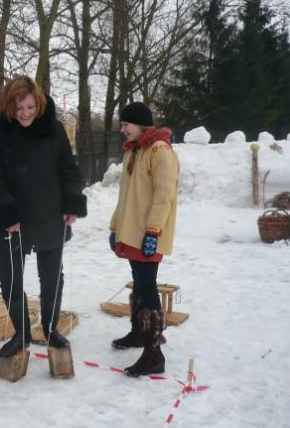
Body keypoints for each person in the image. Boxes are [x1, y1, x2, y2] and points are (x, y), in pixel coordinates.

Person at [0, 76, 87, 358]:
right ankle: (22, 333)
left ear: (38, 103)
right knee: (10, 278)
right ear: (9, 106)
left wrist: (71, 202)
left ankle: (51, 329)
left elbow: (68, 167)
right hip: (11, 218)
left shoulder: (53, 128)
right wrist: (7, 212)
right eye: (19, 108)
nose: (25, 113)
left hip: (49, 213)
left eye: (30, 107)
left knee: (51, 276)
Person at [109, 102, 179, 376]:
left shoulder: (160, 151)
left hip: (148, 232)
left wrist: (153, 230)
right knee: (139, 282)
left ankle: (154, 352)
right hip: (131, 230)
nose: (122, 129)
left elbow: (164, 194)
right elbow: (126, 196)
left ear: (140, 124)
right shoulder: (134, 151)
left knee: (148, 285)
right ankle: (139, 333)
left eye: (126, 124)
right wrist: (115, 227)